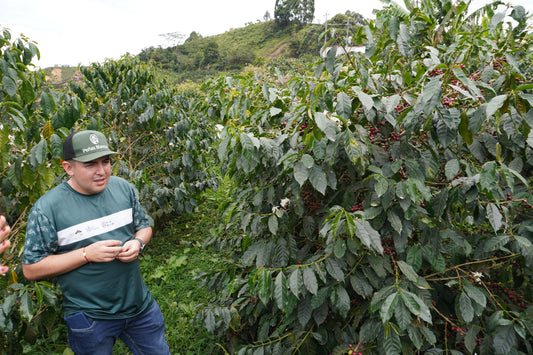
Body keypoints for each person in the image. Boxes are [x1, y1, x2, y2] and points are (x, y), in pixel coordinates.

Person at [22, 130, 170, 355]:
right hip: (91, 319)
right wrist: (85, 254)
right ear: (68, 168)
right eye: (90, 164)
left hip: (140, 309)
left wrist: (138, 243)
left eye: (106, 162)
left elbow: (144, 227)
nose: (102, 171)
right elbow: (31, 269)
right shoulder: (47, 209)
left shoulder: (123, 188)